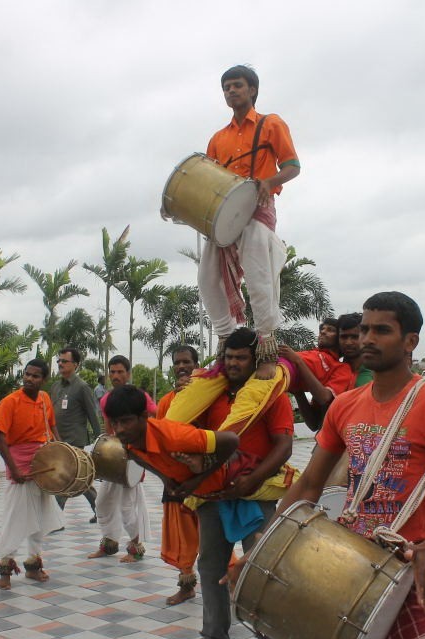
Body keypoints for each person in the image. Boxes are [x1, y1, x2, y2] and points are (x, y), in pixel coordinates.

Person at [229, 292, 425, 639]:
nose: (367, 338)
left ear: (410, 341)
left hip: (407, 567)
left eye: (382, 330)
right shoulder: (345, 404)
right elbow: (310, 484)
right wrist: (263, 547)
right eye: (364, 329)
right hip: (345, 564)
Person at [180, 327, 296, 639]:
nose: (233, 364)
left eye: (241, 358)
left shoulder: (269, 394)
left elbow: (284, 445)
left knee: (262, 567)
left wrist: (252, 481)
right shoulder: (209, 394)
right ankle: (214, 636)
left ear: (255, 359)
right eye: (228, 357)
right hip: (215, 492)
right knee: (210, 564)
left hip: (256, 491)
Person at [196, 64, 300, 379]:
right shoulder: (217, 138)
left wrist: (269, 183)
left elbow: (293, 166)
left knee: (258, 276)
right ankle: (226, 338)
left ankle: (267, 346)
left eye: (237, 85)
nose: (231, 91)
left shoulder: (271, 124)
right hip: (224, 215)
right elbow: (207, 180)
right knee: (206, 275)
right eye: (226, 87)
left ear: (252, 90)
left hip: (257, 207)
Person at [0, 359, 64, 588]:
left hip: (43, 463)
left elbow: (52, 427)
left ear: (44, 379)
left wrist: (62, 451)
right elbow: (0, 438)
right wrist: (14, 469)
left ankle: (33, 565)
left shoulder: (44, 399)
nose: (29, 379)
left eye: (35, 376)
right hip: (20, 464)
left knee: (40, 516)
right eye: (27, 374)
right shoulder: (9, 402)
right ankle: (6, 567)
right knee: (15, 517)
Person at [91, 355, 154, 562]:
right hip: (114, 458)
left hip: (134, 458)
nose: (115, 375)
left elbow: (154, 418)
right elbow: (109, 432)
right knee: (102, 503)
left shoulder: (140, 397)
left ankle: (136, 548)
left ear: (128, 373)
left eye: (120, 372)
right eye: (112, 372)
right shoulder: (105, 399)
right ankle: (109, 544)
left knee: (127, 507)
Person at [156, 345, 205, 605]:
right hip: (176, 478)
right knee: (182, 536)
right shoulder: (166, 401)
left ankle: (230, 582)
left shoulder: (209, 395)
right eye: (177, 363)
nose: (181, 366)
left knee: (212, 533)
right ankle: (186, 584)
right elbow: (159, 438)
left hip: (206, 477)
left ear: (196, 365)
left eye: (186, 362)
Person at [49, 346, 100, 522]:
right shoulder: (55, 387)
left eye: (65, 361)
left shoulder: (82, 387)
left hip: (75, 440)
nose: (60, 364)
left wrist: (100, 441)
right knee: (79, 479)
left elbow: (93, 415)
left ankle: (55, 518)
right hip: (58, 441)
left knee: (65, 477)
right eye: (59, 361)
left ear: (76, 365)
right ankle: (100, 509)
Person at [279, 317, 354, 429]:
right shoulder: (310, 353)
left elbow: (323, 399)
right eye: (322, 329)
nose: (323, 332)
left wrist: (298, 361)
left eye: (330, 330)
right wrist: (298, 392)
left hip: (276, 374)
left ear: (340, 339)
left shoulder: (341, 368)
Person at [338, 312, 370, 387]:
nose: (348, 343)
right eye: (344, 337)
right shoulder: (330, 372)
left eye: (355, 337)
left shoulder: (378, 375)